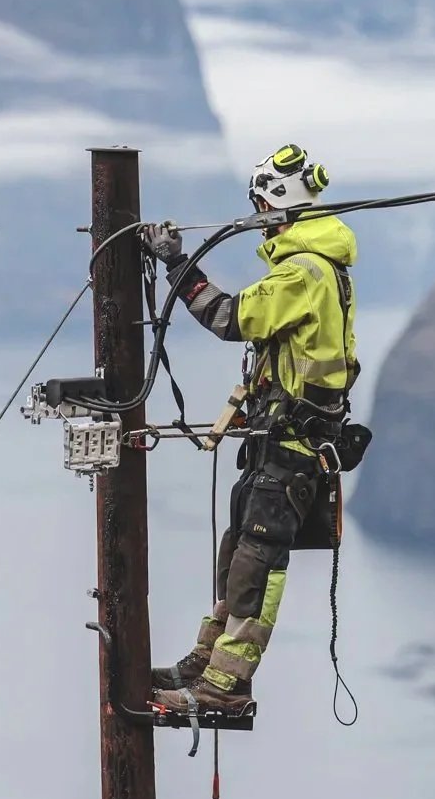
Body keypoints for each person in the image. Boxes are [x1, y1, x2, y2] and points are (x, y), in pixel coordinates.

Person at [138, 143, 360, 715]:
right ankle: (207, 662)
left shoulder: (303, 273)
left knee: (258, 560)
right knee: (241, 551)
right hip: (285, 442)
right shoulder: (315, 268)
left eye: (261, 199)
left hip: (290, 445)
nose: (257, 210)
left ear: (277, 199)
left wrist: (176, 264)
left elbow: (229, 317)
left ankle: (225, 686)